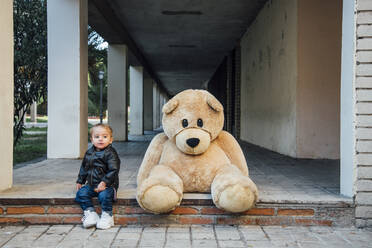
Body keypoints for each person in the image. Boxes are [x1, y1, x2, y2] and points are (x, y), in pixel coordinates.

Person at [75, 123, 120, 229]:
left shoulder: (111, 153)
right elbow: (84, 167)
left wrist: (104, 182)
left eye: (105, 137)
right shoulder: (89, 152)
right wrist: (80, 180)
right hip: (92, 184)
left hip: (108, 184)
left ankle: (107, 216)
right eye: (97, 137)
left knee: (103, 196)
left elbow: (114, 170)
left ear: (110, 139)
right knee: (81, 193)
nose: (101, 139)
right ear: (91, 139)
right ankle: (91, 214)